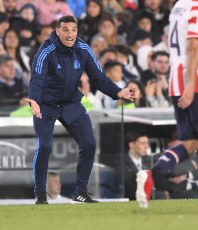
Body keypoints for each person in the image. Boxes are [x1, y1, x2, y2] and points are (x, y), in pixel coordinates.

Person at [26, 15, 136, 205]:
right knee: (45, 146)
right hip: (45, 104)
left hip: (70, 103)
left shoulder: (83, 49)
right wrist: (34, 101)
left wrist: (118, 93)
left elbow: (99, 77)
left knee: (89, 143)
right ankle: (40, 193)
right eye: (66, 30)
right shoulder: (46, 50)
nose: (70, 34)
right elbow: (37, 78)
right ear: (57, 31)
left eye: (74, 30)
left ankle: (80, 192)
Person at [136, 0, 198, 211]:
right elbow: (193, 48)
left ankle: (152, 174)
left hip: (176, 80)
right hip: (197, 81)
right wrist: (191, 87)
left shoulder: (180, 6)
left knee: (190, 143)